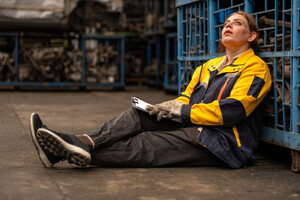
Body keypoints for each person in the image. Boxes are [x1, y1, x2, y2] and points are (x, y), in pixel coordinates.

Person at [30, 11, 272, 169]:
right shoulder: (208, 66)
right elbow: (186, 98)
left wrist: (183, 112)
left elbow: (235, 110)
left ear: (251, 36)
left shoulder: (255, 67)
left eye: (236, 23)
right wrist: (168, 107)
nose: (228, 25)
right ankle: (83, 141)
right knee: (139, 114)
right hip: (194, 125)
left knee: (145, 142)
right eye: (226, 23)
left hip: (224, 142)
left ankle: (64, 150)